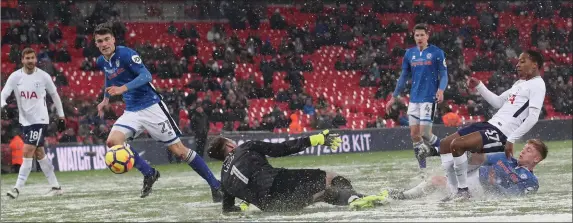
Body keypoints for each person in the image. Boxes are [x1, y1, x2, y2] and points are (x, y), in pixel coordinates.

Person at [92, 23, 223, 201]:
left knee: (179, 151)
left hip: (151, 107)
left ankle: (215, 185)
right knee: (113, 141)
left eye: (107, 39)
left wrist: (123, 88)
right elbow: (109, 76)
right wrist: (106, 99)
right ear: (96, 44)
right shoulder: (101, 61)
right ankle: (149, 173)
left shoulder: (126, 54)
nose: (104, 44)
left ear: (113, 39)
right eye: (100, 41)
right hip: (132, 111)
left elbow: (146, 76)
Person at [418, 50, 546, 201]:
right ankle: (454, 190)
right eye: (518, 62)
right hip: (490, 124)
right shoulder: (520, 84)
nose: (518, 65)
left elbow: (533, 117)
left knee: (457, 145)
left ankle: (462, 191)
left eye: (523, 61)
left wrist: (511, 139)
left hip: (501, 131)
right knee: (446, 144)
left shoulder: (538, 84)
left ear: (535, 65)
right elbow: (498, 102)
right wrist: (479, 86)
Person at [207, 130, 389, 213]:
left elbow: (228, 210)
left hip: (273, 208)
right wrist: (314, 140)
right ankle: (355, 198)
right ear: (230, 144)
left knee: (320, 195)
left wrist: (246, 202)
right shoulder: (245, 147)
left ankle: (350, 198)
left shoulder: (224, 179)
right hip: (277, 182)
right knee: (329, 177)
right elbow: (282, 149)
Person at [1, 48, 67, 199]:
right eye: (27, 58)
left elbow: (54, 95)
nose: (30, 61)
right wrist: (2, 105)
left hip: (40, 119)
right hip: (25, 121)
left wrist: (61, 116)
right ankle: (56, 187)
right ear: (22, 60)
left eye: (32, 58)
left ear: (36, 59)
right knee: (39, 153)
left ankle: (17, 189)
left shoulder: (43, 77)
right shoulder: (15, 77)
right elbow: (4, 93)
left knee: (27, 150)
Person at [389, 139, 548, 201]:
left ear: (536, 159)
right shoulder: (505, 157)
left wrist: (494, 184)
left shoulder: (531, 182)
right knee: (437, 180)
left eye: (529, 150)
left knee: (453, 199)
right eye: (524, 148)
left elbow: (513, 197)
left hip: (481, 193)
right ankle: (401, 196)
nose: (523, 151)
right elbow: (480, 158)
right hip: (470, 180)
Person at [386, 23, 448, 177]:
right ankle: (423, 172)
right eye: (417, 35)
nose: (419, 38)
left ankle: (448, 154)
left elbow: (444, 74)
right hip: (414, 100)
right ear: (414, 36)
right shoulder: (409, 54)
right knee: (415, 135)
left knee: (425, 133)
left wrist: (441, 90)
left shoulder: (437, 53)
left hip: (429, 98)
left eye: (422, 35)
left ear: (428, 35)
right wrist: (394, 97)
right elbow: (403, 77)